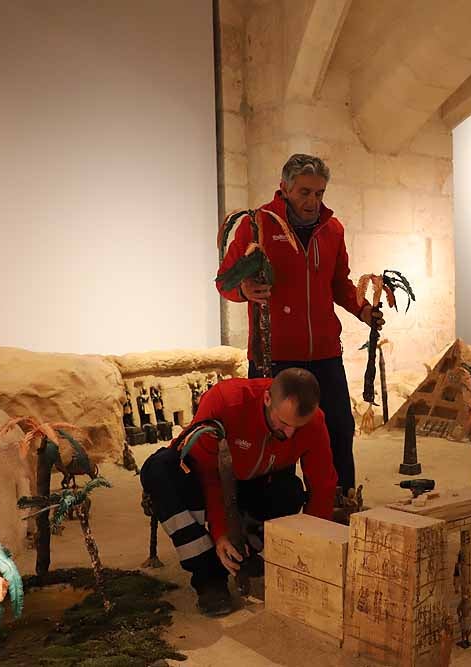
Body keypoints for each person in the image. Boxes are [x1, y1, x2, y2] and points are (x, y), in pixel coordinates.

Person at [216, 154, 381, 495]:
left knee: (338, 426)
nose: (312, 202)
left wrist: (363, 310)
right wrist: (243, 289)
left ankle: (339, 500)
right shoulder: (256, 225)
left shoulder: (332, 229)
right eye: (305, 192)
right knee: (278, 432)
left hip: (323, 353)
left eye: (319, 193)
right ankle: (276, 508)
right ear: (285, 188)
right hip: (273, 355)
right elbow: (224, 281)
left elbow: (339, 284)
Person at [140, 369, 337, 616]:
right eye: (284, 423)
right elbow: (210, 476)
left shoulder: (314, 421)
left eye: (298, 426)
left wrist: (313, 549)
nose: (290, 434)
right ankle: (209, 575)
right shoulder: (226, 402)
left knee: (290, 492)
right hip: (199, 476)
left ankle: (243, 551)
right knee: (160, 472)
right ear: (267, 399)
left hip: (250, 479)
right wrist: (221, 532)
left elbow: (322, 485)